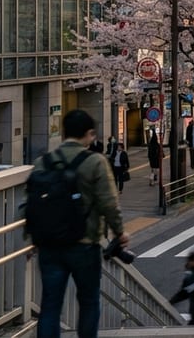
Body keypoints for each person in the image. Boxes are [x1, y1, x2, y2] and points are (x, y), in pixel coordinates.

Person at [34, 109, 128, 338]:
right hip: (84, 242)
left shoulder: (42, 162)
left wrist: (31, 239)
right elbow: (108, 202)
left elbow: (31, 205)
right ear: (89, 134)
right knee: (88, 301)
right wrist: (120, 232)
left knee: (50, 305)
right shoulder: (95, 162)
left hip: (49, 244)